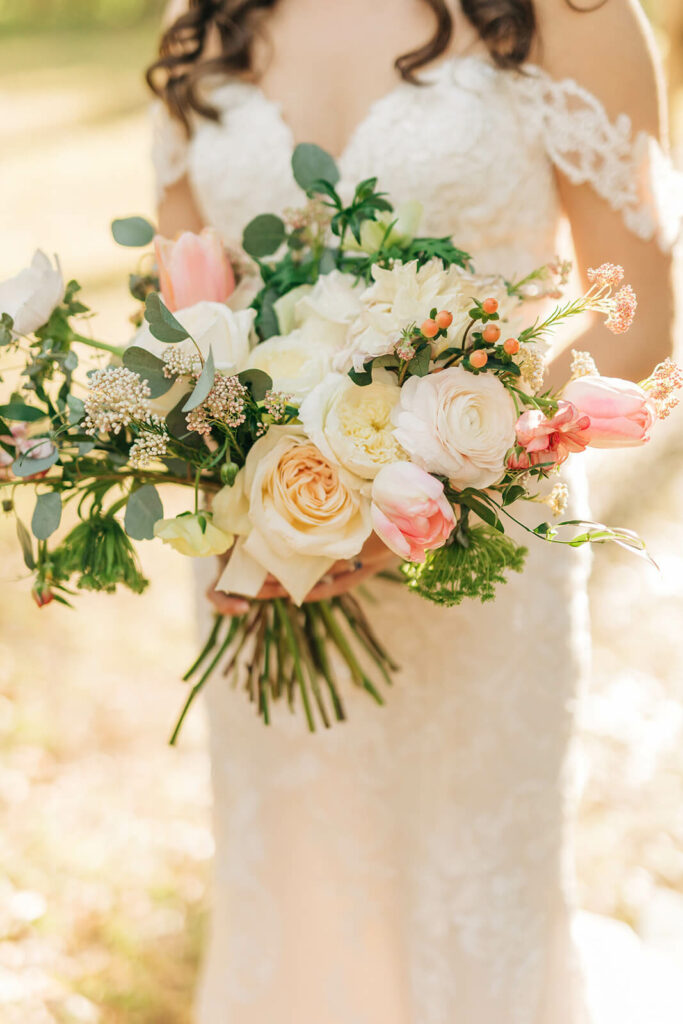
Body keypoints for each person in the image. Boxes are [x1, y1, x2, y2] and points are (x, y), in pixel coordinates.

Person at [147, 1, 682, 1021]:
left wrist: (415, 485)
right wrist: (248, 487)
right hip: (263, 562)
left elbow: (641, 333)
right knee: (293, 884)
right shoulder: (201, 21)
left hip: (483, 568)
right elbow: (181, 328)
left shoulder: (572, 15)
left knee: (468, 897)